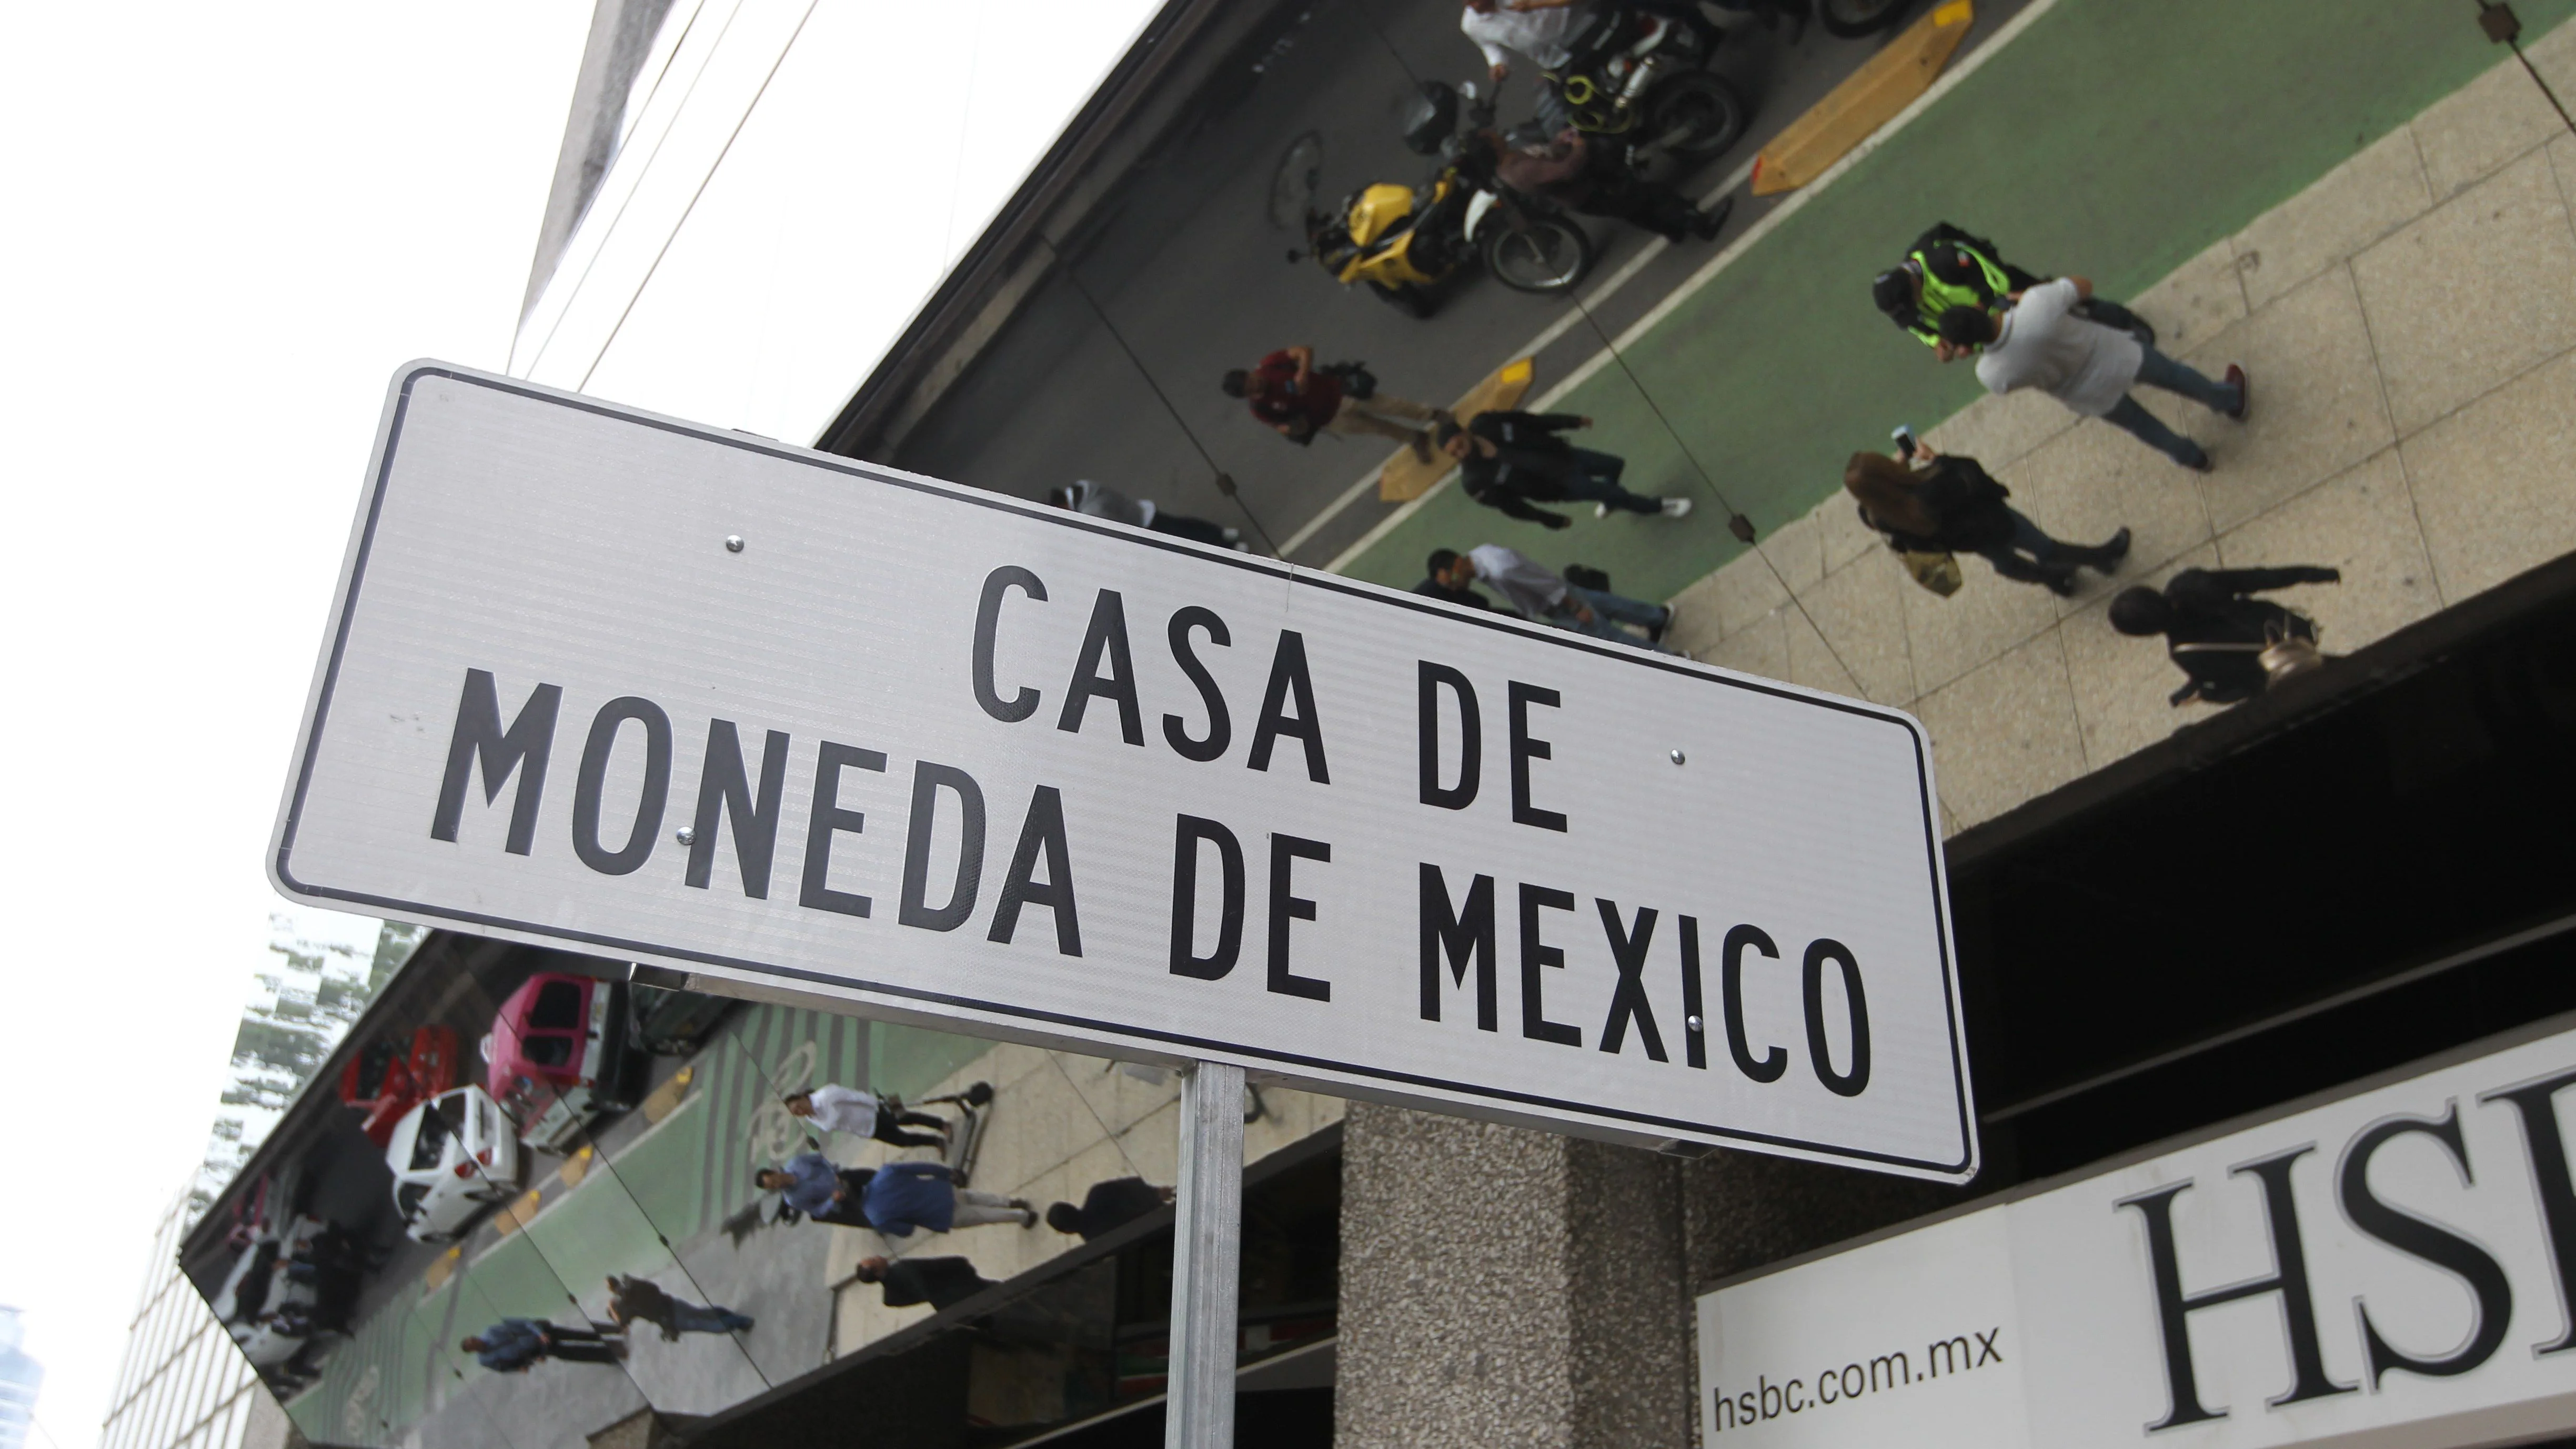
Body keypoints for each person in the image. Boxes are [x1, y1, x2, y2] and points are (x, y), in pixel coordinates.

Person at [1937, 278, 2247, 472]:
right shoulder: (2037, 304)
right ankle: (2228, 399)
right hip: (2114, 354)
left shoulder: (1989, 373)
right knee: (2175, 376)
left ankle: (2192, 457)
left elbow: (2009, 377)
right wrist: (2030, 295)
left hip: (2086, 394)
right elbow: (2083, 285)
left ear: (1966, 348)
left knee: (2143, 426)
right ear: (1978, 311)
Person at [1842, 449, 2128, 596]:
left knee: (2005, 563)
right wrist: (1935, 458)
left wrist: (1900, 474)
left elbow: (1901, 508)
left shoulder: (1878, 517)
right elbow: (1970, 471)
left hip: (1970, 541)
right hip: (1994, 521)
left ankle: (2054, 579)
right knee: (2045, 547)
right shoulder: (1933, 488)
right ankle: (2103, 557)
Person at [1871, 222, 2149, 350]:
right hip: (1987, 325)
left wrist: (1980, 313)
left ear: (1911, 282)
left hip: (2006, 293)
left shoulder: (1943, 257)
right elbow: (1926, 332)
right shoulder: (1903, 308)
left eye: (1912, 302)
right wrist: (1944, 345)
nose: (1913, 310)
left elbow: (1997, 280)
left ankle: (2127, 322)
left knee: (2066, 302)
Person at [2108, 566, 2341, 707]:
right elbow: (2259, 578)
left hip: (2279, 667)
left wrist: (2204, 693)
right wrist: (2312, 574)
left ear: (2146, 633)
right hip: (2286, 629)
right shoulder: (2190, 585)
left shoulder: (2185, 653)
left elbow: (2240, 686)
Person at [1439, 412, 1692, 528]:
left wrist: (1570, 422)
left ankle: (1609, 498)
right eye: (1454, 455)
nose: (1461, 454)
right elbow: (1512, 507)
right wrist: (1547, 519)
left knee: (1615, 465)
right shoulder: (1475, 481)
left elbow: (1530, 422)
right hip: (1560, 485)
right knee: (1616, 494)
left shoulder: (1486, 423)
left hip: (1565, 456)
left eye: (1459, 445)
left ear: (1464, 432)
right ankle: (1658, 506)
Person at [1426, 545, 1675, 650]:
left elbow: (1542, 585)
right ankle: (1657, 617)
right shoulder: (1482, 556)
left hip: (1559, 603)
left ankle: (1673, 661)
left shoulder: (1500, 569)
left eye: (1453, 582)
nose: (1456, 589)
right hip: (1559, 594)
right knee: (1607, 604)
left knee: (1609, 637)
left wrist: (1574, 607)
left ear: (1457, 564)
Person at [1223, 346, 1446, 460]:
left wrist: (1302, 373)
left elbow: (1303, 351)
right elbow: (1277, 426)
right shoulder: (1259, 409)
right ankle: (1415, 438)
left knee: (1391, 406)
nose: (1256, 384)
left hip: (1340, 392)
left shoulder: (1271, 365)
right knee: (1378, 428)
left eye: (1251, 379)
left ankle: (1432, 415)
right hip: (1330, 420)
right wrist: (1290, 428)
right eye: (1250, 388)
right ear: (1246, 395)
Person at [1047, 480, 1244, 550]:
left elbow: (1117, 529)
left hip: (1144, 525)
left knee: (1187, 537)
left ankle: (1227, 546)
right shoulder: (1084, 486)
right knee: (1185, 525)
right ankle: (1222, 533)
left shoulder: (1090, 512)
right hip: (1142, 509)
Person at [861, 1160, 1037, 1236]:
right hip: (941, 1189)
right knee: (972, 1196)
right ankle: (1009, 1202)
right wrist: (946, 1174)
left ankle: (1022, 1216)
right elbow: (923, 1167)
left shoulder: (876, 1218)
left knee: (984, 1215)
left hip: (940, 1215)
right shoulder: (885, 1173)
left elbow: (907, 1231)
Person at [783, 1084, 950, 1152]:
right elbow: (834, 1126)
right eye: (795, 1113)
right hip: (867, 1129)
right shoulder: (812, 1118)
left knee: (908, 1119)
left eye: (797, 1107)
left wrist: (878, 1104)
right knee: (902, 1141)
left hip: (874, 1113)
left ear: (801, 1098)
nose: (799, 1111)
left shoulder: (826, 1095)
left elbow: (854, 1096)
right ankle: (935, 1142)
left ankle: (942, 1125)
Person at [605, 1275, 754, 1341]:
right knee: (703, 1313)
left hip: (672, 1319)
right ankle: (736, 1318)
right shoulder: (633, 1283)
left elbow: (622, 1324)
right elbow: (655, 1288)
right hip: (673, 1304)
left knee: (706, 1326)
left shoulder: (628, 1305)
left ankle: (741, 1322)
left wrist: (612, 1308)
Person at [756, 1153, 877, 1227]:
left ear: (775, 1172)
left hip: (844, 1178)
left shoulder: (797, 1162)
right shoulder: (793, 1199)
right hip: (843, 1199)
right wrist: (832, 1201)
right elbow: (816, 1211)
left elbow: (820, 1159)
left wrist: (833, 1171)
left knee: (876, 1178)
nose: (776, 1185)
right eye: (772, 1187)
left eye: (773, 1181)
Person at [461, 1319, 623, 1372]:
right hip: (536, 1349)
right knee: (574, 1353)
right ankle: (609, 1355)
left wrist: (540, 1333)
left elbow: (523, 1322)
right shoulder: (485, 1360)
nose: (477, 1343)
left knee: (577, 1335)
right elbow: (503, 1367)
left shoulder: (492, 1332)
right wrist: (521, 1367)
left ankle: (611, 1337)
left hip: (539, 1335)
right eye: (474, 1346)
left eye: (474, 1340)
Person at [1043, 1178, 1175, 1241]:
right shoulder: (1098, 1193)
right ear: (1072, 1206)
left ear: (1067, 1231)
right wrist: (1155, 1194)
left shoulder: (1097, 1245)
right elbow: (1136, 1187)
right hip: (1167, 1215)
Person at [852, 1255, 997, 1311]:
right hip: (965, 1286)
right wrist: (962, 1262)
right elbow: (937, 1265)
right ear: (877, 1271)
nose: (877, 1256)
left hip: (948, 1306)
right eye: (873, 1260)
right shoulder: (904, 1267)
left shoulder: (890, 1299)